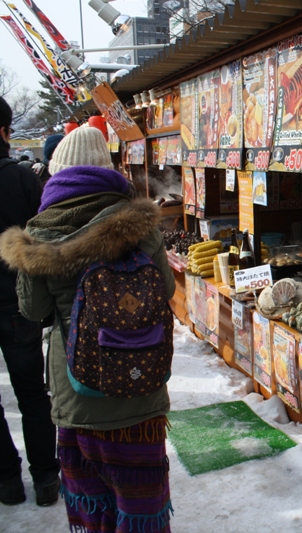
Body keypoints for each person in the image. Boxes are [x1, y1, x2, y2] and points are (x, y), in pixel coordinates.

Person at [0, 125, 176, 531]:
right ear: (107, 170)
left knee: (92, 508)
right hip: (139, 391)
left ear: (57, 174)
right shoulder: (140, 223)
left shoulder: (39, 232)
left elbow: (32, 309)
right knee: (141, 509)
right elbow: (164, 288)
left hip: (76, 393)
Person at [0, 96, 60, 507]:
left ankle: (6, 478)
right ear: (5, 132)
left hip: (14, 306)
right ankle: (45, 478)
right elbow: (41, 240)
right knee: (33, 394)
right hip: (15, 304)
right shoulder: (20, 178)